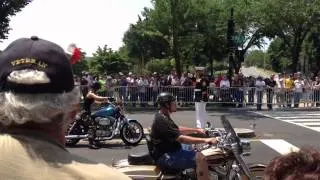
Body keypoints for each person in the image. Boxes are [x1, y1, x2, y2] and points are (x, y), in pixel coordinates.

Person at [0, 36, 130, 180]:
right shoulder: (110, 177)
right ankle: (93, 141)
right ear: (72, 110)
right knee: (92, 125)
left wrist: (104, 100)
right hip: (87, 113)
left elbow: (97, 100)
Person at [150, 92, 219, 180]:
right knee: (202, 158)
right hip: (167, 156)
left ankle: (193, 175)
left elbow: (178, 129)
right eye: (173, 102)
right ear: (167, 105)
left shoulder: (163, 116)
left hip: (170, 150)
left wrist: (197, 130)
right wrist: (206, 140)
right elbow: (181, 138)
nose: (176, 104)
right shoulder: (162, 120)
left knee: (193, 147)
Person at [83, 81, 111, 149]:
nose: (98, 90)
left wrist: (103, 102)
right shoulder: (91, 93)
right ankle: (91, 143)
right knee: (92, 126)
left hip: (87, 112)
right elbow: (97, 98)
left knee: (96, 123)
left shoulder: (91, 94)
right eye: (98, 88)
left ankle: (95, 140)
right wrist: (107, 98)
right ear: (96, 88)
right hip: (85, 113)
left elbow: (95, 101)